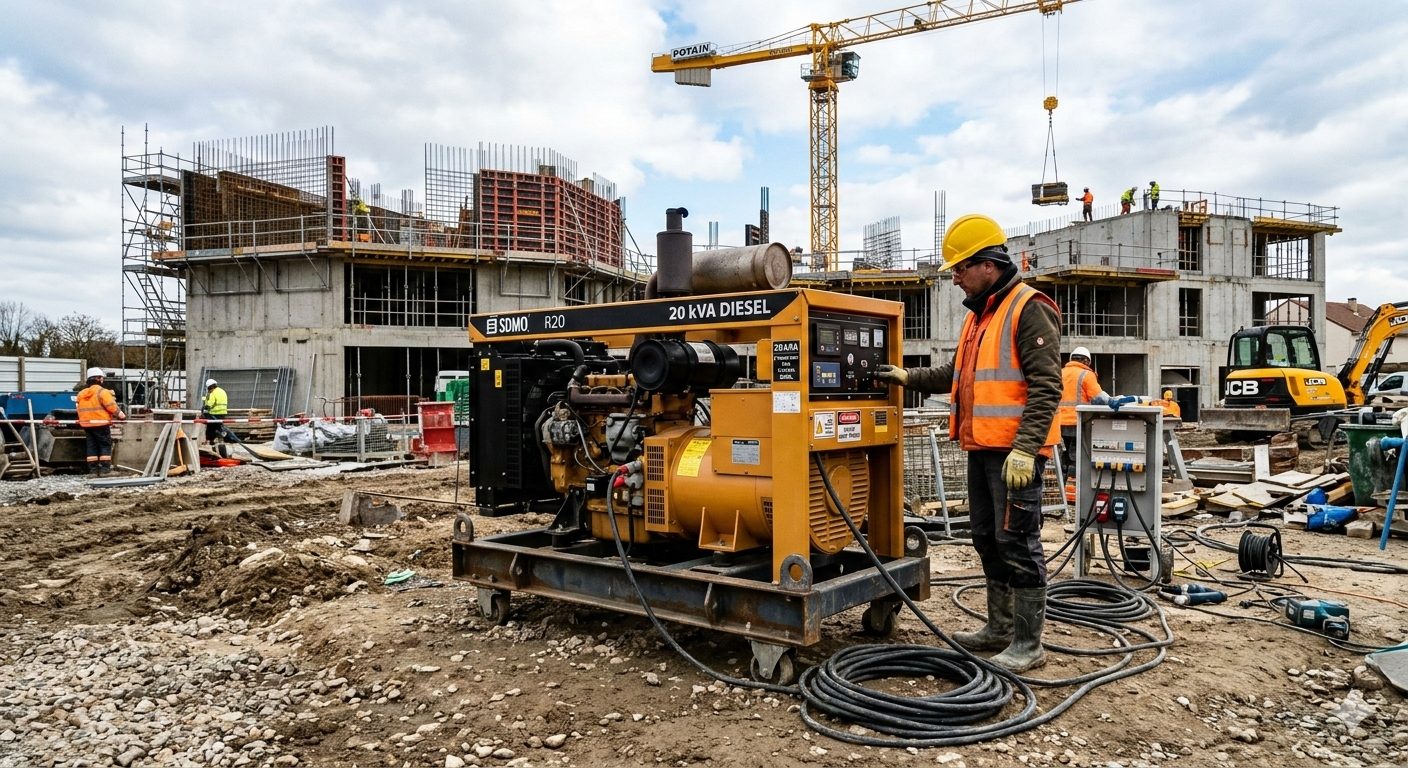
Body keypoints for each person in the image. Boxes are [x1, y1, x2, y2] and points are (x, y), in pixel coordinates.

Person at [875, 213, 1062, 672]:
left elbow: (1047, 385)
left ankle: (1028, 644)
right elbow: (953, 374)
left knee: (1017, 541)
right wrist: (907, 376)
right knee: (986, 538)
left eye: (960, 269)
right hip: (982, 449)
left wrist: (1025, 447)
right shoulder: (980, 317)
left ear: (988, 265)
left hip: (1013, 454)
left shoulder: (1027, 307)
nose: (955, 278)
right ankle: (1000, 629)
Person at [1057, 347, 1110, 480]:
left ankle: (1063, 492)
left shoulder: (1059, 373)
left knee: (1062, 460)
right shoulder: (1086, 375)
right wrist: (1114, 401)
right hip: (1078, 424)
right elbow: (1100, 400)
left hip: (1057, 425)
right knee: (1077, 459)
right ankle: (1074, 493)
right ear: (1087, 361)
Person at [76, 367, 126, 475]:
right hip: (101, 424)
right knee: (105, 445)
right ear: (98, 379)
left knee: (91, 446)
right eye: (102, 378)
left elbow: (78, 408)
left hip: (87, 425)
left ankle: (93, 471)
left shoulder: (81, 394)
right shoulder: (102, 392)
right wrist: (121, 416)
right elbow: (111, 406)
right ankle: (105, 470)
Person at [202, 378, 233, 445]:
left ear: (210, 387)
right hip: (223, 413)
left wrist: (206, 407)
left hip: (215, 413)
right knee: (219, 427)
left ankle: (210, 440)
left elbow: (211, 403)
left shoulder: (213, 393)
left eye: (209, 389)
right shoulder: (222, 391)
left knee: (211, 427)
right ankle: (224, 438)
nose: (209, 390)